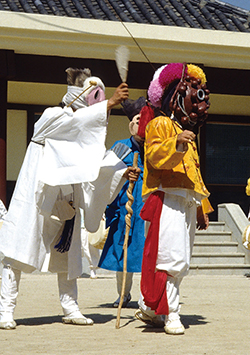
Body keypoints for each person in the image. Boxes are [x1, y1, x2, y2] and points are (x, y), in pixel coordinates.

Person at [0, 67, 137, 330]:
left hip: (68, 196)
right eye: (94, 98)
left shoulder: (84, 134)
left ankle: (70, 306)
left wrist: (120, 171)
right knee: (17, 252)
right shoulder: (52, 117)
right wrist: (107, 105)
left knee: (69, 255)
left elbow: (94, 164)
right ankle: (6, 308)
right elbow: (74, 125)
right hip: (39, 195)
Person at [134, 63, 213, 335]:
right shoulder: (160, 124)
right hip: (166, 199)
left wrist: (203, 207)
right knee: (170, 257)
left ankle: (154, 308)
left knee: (180, 258)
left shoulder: (184, 130)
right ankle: (171, 313)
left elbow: (194, 175)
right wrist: (177, 143)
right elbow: (154, 156)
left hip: (185, 202)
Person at [98, 97, 147, 307]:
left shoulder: (155, 149)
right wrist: (124, 173)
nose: (139, 123)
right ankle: (124, 294)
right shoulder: (121, 147)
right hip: (125, 207)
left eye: (143, 119)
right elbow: (103, 173)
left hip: (147, 207)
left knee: (147, 252)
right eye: (136, 119)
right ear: (130, 123)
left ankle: (147, 296)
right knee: (124, 251)